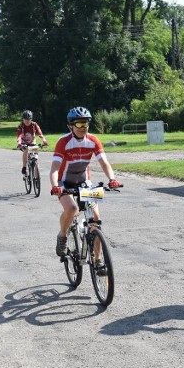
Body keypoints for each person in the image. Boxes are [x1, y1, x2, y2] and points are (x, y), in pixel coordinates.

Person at [49, 106, 122, 258]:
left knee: (95, 218)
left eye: (86, 124)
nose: (83, 128)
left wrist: (112, 179)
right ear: (71, 126)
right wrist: (55, 185)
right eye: (79, 124)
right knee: (72, 209)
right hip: (64, 183)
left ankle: (98, 261)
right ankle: (62, 235)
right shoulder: (63, 142)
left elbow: (104, 163)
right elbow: (54, 169)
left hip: (84, 182)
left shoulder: (93, 140)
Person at [17, 110, 48, 175]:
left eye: (29, 119)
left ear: (31, 119)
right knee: (26, 150)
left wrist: (44, 140)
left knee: (35, 157)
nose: (27, 121)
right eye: (25, 119)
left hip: (32, 142)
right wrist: (19, 143)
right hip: (23, 143)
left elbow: (40, 134)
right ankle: (24, 167)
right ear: (23, 119)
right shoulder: (21, 126)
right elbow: (19, 136)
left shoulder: (34, 125)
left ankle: (36, 176)